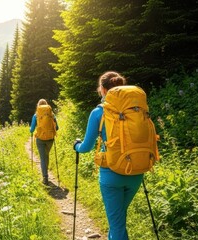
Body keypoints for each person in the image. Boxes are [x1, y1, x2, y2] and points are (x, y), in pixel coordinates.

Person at [73, 71, 143, 240]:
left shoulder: (98, 112)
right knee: (118, 220)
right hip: (137, 171)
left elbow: (87, 147)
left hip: (112, 174)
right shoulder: (136, 109)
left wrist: (76, 146)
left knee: (117, 224)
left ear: (103, 90)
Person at [30, 99, 59, 185]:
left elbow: (31, 129)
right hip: (50, 138)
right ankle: (46, 174)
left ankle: (45, 177)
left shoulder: (36, 115)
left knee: (43, 157)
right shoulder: (52, 115)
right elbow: (57, 128)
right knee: (46, 156)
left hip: (40, 139)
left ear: (38, 106)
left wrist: (31, 130)